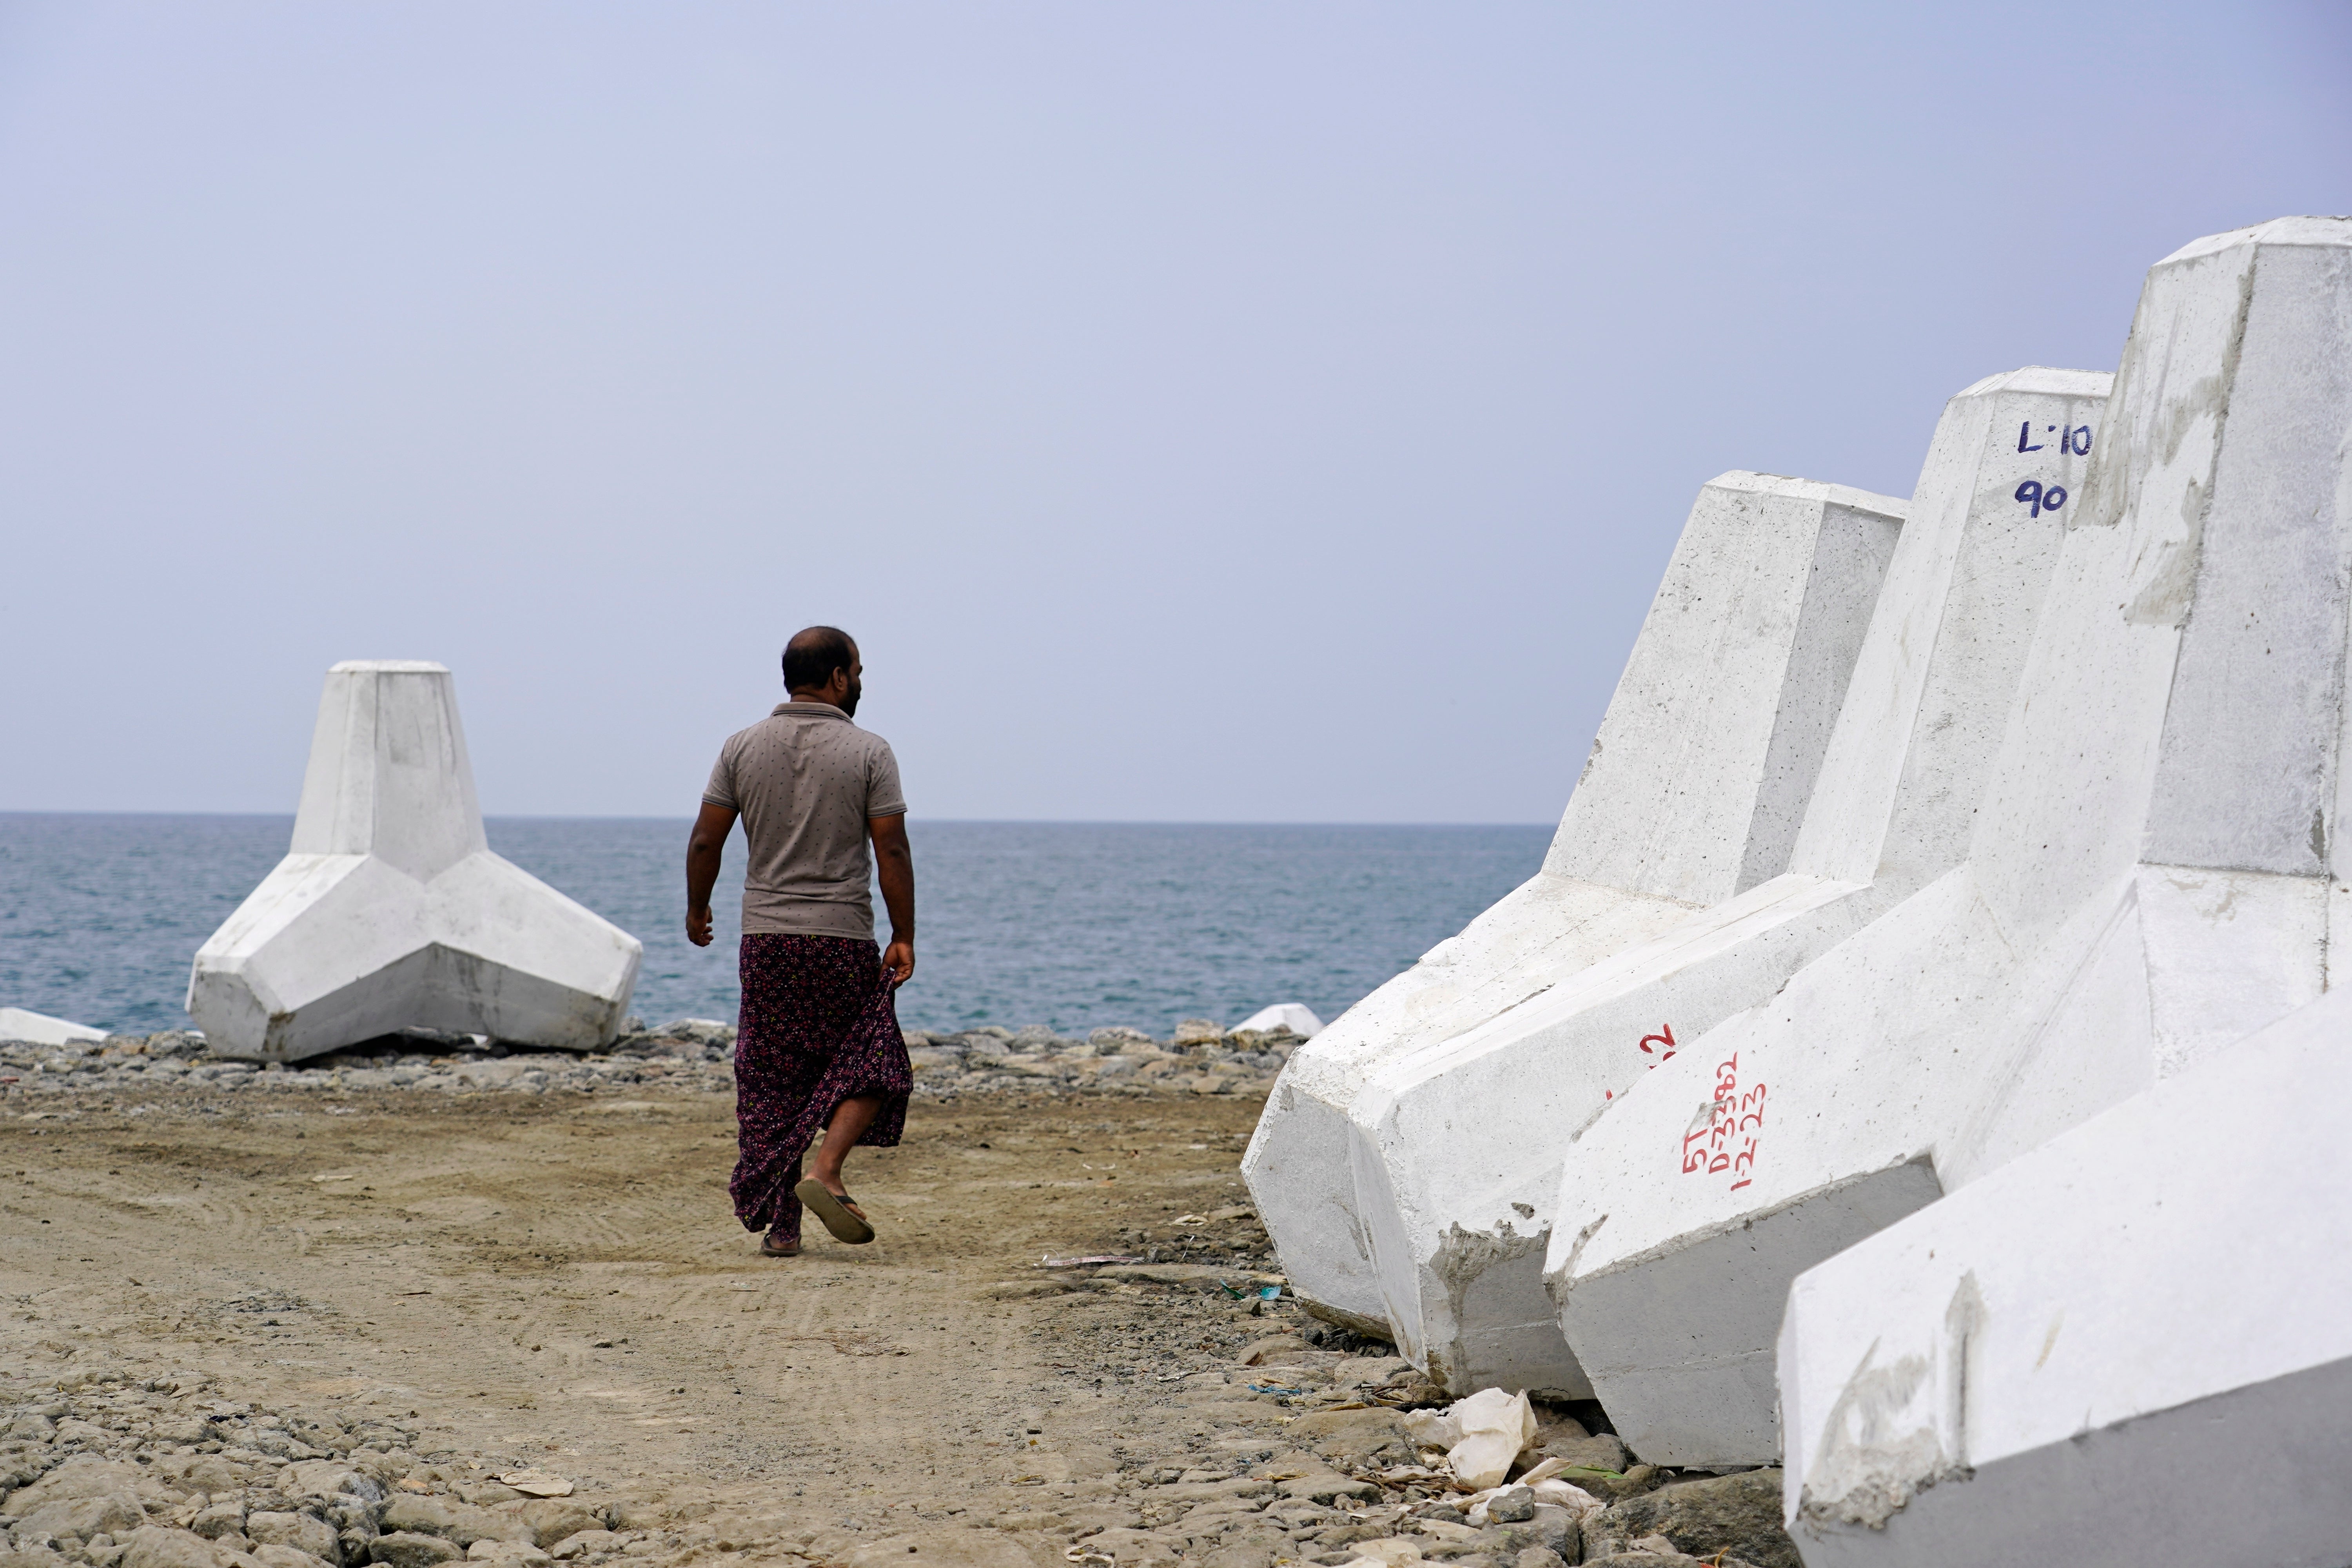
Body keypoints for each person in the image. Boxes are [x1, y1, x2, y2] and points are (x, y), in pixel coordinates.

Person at [686, 626, 916, 1258]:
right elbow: (890, 846)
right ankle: (827, 1169)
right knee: (875, 1058)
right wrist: (903, 934)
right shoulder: (870, 752)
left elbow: (708, 839)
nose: (862, 682)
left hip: (766, 939)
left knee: (771, 1078)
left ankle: (782, 1228)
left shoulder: (742, 747)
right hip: (840, 938)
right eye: (860, 671)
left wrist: (698, 905)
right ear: (839, 677)